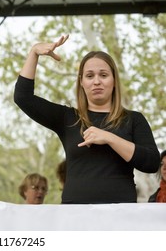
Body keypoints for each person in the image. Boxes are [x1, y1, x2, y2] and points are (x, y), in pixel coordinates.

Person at [14, 35, 160, 204]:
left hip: (120, 214)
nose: (96, 81)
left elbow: (151, 163)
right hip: (75, 214)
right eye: (89, 76)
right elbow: (22, 97)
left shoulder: (133, 119)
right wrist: (34, 53)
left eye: (103, 75)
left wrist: (109, 138)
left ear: (114, 81)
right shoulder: (68, 118)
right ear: (81, 82)